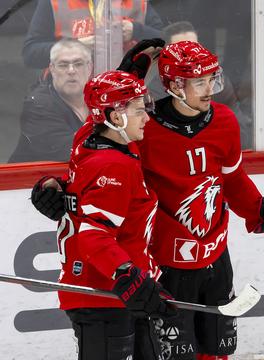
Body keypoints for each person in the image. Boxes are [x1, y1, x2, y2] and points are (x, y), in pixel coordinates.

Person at [31, 39, 264, 360]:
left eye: (212, 80)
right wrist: (62, 189)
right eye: (199, 82)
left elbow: (231, 181)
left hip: (216, 259)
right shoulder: (143, 130)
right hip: (164, 264)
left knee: (217, 349)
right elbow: (96, 150)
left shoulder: (223, 121)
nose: (210, 90)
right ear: (176, 84)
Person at [42, 69, 175, 359]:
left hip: (117, 293)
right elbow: (94, 236)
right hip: (105, 294)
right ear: (115, 118)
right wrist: (126, 274)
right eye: (140, 110)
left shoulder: (88, 136)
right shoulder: (114, 166)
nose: (147, 118)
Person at [146, 21, 253, 148]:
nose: (192, 57)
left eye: (194, 48)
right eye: (182, 51)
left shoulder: (217, 82)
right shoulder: (153, 94)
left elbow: (242, 136)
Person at [9, 39, 92, 163]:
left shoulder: (102, 97)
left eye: (78, 64)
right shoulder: (38, 105)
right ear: (52, 69)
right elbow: (68, 152)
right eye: (63, 65)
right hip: (28, 180)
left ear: (89, 67)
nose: (71, 71)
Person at [23, 0, 164, 69]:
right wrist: (75, 47)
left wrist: (136, 30)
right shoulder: (54, 2)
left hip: (128, 94)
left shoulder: (137, 2)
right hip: (71, 98)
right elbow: (30, 54)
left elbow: (167, 44)